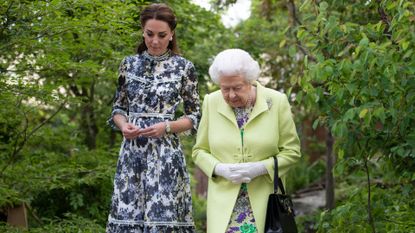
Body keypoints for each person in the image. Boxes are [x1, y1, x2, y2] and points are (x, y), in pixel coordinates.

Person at [106, 3, 200, 233]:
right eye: (149, 34)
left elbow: (195, 116)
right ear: (142, 31)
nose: (155, 41)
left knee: (163, 223)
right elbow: (118, 109)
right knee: (129, 221)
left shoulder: (184, 67)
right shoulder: (128, 64)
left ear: (172, 34)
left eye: (161, 35)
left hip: (166, 157)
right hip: (132, 156)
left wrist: (167, 126)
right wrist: (123, 125)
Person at [192, 49, 301, 233]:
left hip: (266, 206)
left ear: (250, 81)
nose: (231, 95)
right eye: (225, 88)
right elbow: (199, 151)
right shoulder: (211, 101)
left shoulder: (276, 101)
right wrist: (220, 169)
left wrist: (260, 168)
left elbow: (292, 152)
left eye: (237, 87)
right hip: (224, 209)